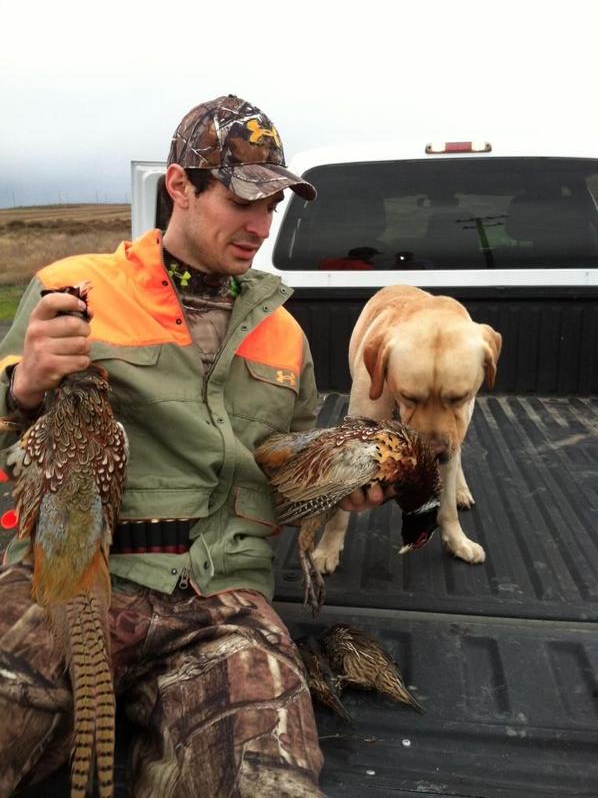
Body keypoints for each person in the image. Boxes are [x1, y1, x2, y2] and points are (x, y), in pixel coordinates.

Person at [0, 94, 389, 798]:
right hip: (68, 580)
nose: (260, 226)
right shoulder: (73, 292)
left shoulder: (287, 336)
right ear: (180, 185)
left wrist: (334, 484)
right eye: (243, 201)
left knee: (268, 784)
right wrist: (22, 387)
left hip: (221, 608)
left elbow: (281, 475)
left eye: (272, 206)